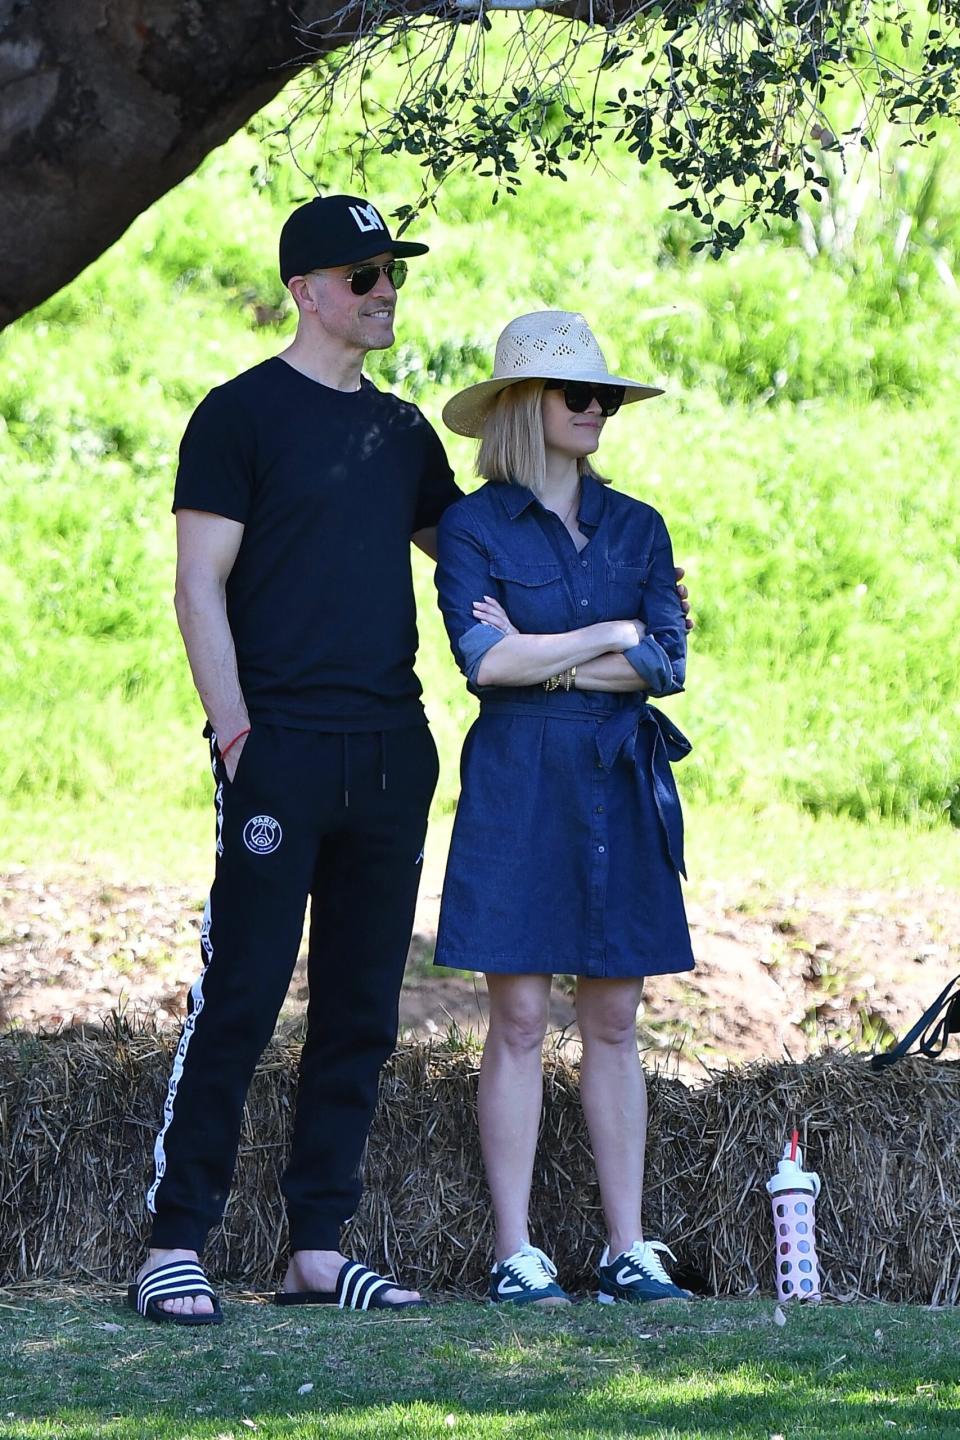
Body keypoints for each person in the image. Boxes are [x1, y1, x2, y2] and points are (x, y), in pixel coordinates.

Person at [128, 194, 464, 1324]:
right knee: (244, 993)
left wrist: (612, 571)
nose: (385, 295)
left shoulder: (405, 433)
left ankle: (317, 1248)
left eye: (394, 276)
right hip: (279, 747)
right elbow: (196, 585)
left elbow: (471, 557)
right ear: (307, 291)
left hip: (390, 752)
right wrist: (235, 734)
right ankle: (176, 1240)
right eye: (364, 277)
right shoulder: (238, 417)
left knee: (363, 1008)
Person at [433, 310, 695, 1306]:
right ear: (521, 409)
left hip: (618, 783)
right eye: (577, 395)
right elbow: (483, 662)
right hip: (519, 783)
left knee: (617, 1014)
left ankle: (629, 1248)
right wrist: (607, 634)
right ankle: (516, 1254)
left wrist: (559, 656)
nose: (597, 411)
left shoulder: (640, 526)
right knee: (519, 1013)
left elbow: (662, 664)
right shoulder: (473, 526)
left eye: (604, 397)